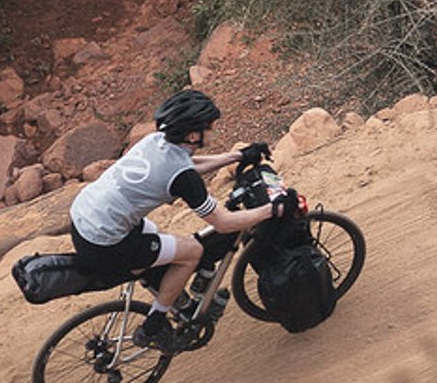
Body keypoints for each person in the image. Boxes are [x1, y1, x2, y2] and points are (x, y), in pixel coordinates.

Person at [68, 88, 299, 351]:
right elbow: (223, 222)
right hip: (105, 242)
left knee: (160, 239)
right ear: (192, 134)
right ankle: (153, 325)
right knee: (193, 251)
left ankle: (177, 298)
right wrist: (273, 210)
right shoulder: (182, 178)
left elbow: (188, 164)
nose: (211, 130)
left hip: (84, 217)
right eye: (208, 127)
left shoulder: (155, 141)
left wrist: (238, 156)